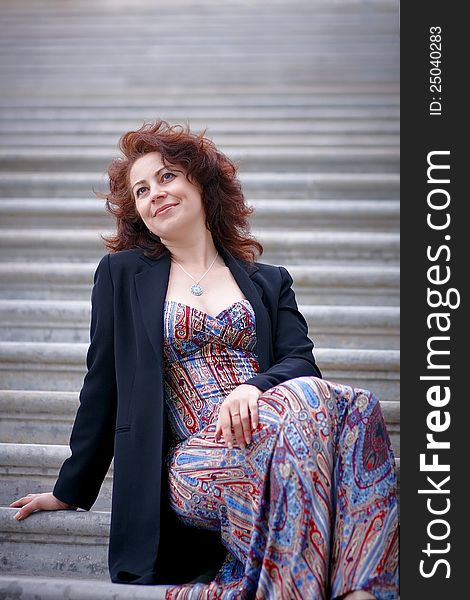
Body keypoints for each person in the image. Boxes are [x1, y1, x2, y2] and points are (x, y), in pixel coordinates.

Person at [10, 120, 398, 599]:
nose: (155, 193)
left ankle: (355, 592)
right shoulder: (122, 275)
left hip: (281, 441)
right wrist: (70, 489)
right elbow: (102, 385)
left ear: (200, 181)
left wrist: (252, 387)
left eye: (167, 176)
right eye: (141, 190)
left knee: (356, 406)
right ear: (137, 211)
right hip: (195, 460)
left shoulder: (269, 279)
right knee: (314, 425)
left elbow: (301, 363)